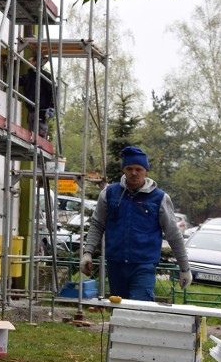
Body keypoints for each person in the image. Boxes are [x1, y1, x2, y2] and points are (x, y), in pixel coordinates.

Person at [80, 146, 192, 301]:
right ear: (124, 170)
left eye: (138, 169)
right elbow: (97, 224)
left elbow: (173, 234)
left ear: (146, 171)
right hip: (116, 265)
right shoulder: (109, 194)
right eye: (129, 168)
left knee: (139, 310)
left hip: (143, 266)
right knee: (118, 311)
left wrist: (184, 268)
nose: (134, 173)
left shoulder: (159, 198)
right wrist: (87, 253)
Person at [18, 55, 55, 138]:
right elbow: (16, 80)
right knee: (31, 136)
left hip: (42, 111)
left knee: (39, 137)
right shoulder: (28, 77)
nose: (28, 63)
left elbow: (53, 92)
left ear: (35, 62)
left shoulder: (46, 77)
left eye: (30, 61)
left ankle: (38, 148)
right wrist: (8, 67)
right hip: (31, 111)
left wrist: (51, 106)